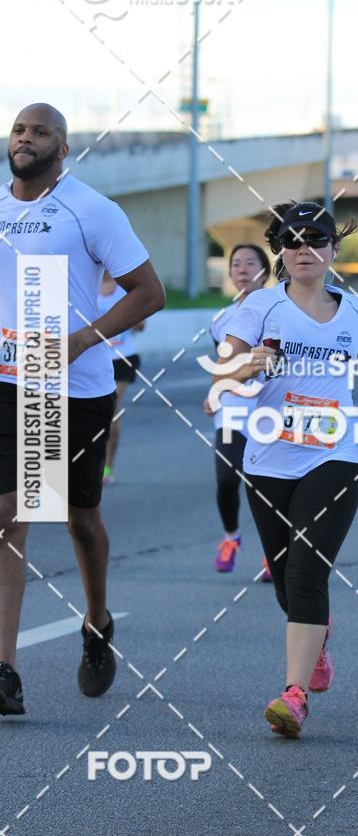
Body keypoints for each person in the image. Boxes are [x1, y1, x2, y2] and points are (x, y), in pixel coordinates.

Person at [0, 104, 165, 716]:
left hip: (75, 385)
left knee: (79, 521)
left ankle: (97, 622)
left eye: (40, 132)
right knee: (8, 518)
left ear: (63, 147)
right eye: (19, 129)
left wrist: (79, 341)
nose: (25, 139)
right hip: (9, 380)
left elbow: (150, 292)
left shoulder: (93, 209)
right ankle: (5, 672)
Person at [213, 201, 358, 737]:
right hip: (268, 453)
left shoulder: (357, 312)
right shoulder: (260, 308)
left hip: (334, 452)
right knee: (287, 579)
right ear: (281, 253)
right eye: (293, 240)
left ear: (334, 249)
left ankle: (292, 697)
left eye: (316, 239)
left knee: (307, 569)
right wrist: (248, 365)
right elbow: (225, 367)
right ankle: (317, 635)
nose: (304, 249)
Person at [205, 244, 272, 580]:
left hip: (270, 408)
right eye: (236, 264)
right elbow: (221, 364)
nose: (242, 269)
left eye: (250, 263)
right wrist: (212, 392)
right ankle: (231, 537)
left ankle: (275, 554)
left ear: (266, 269)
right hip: (232, 408)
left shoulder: (280, 310)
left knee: (265, 486)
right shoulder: (221, 320)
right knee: (227, 479)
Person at [97, 270, 145, 484]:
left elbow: (141, 325)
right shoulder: (86, 284)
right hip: (95, 358)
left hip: (123, 357)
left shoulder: (125, 289)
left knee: (112, 413)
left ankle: (108, 467)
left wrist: (128, 318)